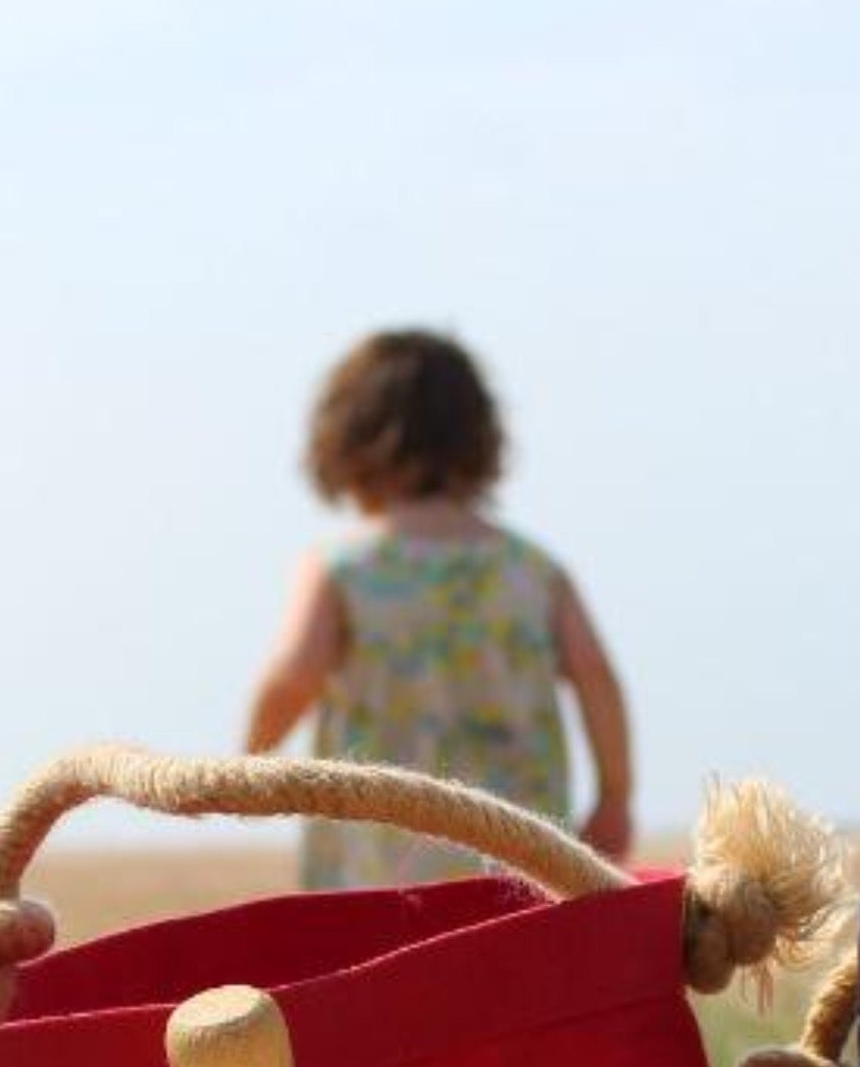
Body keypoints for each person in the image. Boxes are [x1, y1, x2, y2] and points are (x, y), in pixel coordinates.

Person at [242, 328, 634, 889]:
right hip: (519, 852)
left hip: (378, 861)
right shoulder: (531, 571)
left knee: (385, 976)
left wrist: (248, 762)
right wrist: (615, 795)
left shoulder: (343, 569)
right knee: (511, 974)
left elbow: (295, 673)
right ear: (481, 439)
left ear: (345, 441)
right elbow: (595, 675)